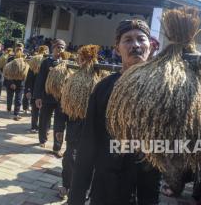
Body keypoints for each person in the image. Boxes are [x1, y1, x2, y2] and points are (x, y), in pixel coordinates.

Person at [68, 19, 161, 205]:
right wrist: (76, 196)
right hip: (106, 186)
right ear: (117, 49)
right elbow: (88, 142)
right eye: (127, 40)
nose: (135, 45)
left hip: (146, 187)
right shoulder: (104, 88)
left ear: (150, 46)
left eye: (141, 39)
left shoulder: (162, 86)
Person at [33, 39, 68, 158]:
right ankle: (42, 139)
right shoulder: (46, 62)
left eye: (63, 47)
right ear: (53, 48)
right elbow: (40, 80)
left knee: (60, 123)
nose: (60, 50)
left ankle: (57, 147)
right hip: (47, 97)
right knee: (44, 120)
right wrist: (38, 96)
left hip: (61, 99)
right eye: (58, 47)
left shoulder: (67, 63)